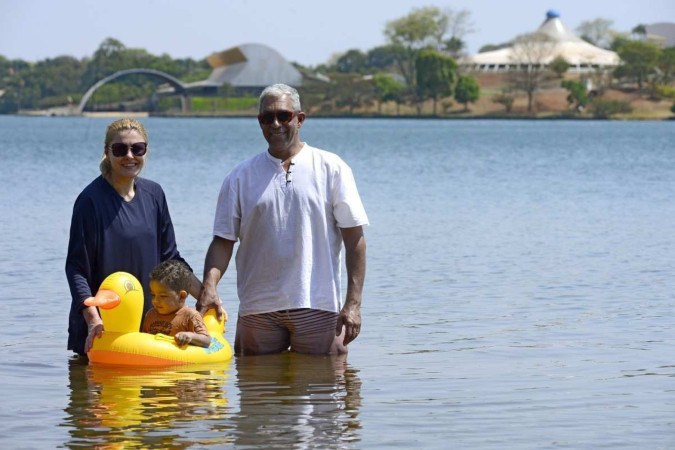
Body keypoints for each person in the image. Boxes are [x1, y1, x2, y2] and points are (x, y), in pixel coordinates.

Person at [198, 83, 368, 355]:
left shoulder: (332, 168)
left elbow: (354, 239)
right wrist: (209, 286)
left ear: (300, 119)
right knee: (257, 392)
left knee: (324, 389)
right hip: (258, 307)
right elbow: (223, 241)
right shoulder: (239, 176)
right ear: (259, 122)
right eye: (267, 117)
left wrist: (353, 304)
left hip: (317, 303)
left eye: (284, 116)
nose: (275, 124)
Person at [66, 118, 202, 357]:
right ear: (107, 153)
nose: (130, 156)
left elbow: (171, 258)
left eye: (137, 148)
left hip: (150, 328)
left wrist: (205, 295)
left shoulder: (154, 194)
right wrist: (93, 321)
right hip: (102, 332)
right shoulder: (90, 201)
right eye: (120, 149)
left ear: (145, 151)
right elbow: (77, 269)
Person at [143, 260, 211, 347]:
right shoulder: (151, 315)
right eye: (153, 295)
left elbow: (207, 341)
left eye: (163, 296)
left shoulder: (190, 316)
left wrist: (190, 336)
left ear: (182, 296)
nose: (155, 300)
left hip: (179, 357)